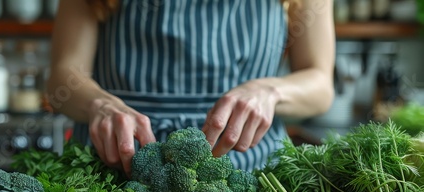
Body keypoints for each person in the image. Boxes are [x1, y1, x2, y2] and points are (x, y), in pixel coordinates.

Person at [47, 0, 335, 176]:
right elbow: (63, 77)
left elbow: (320, 83)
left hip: (253, 175)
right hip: (113, 175)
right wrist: (100, 104)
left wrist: (271, 92)